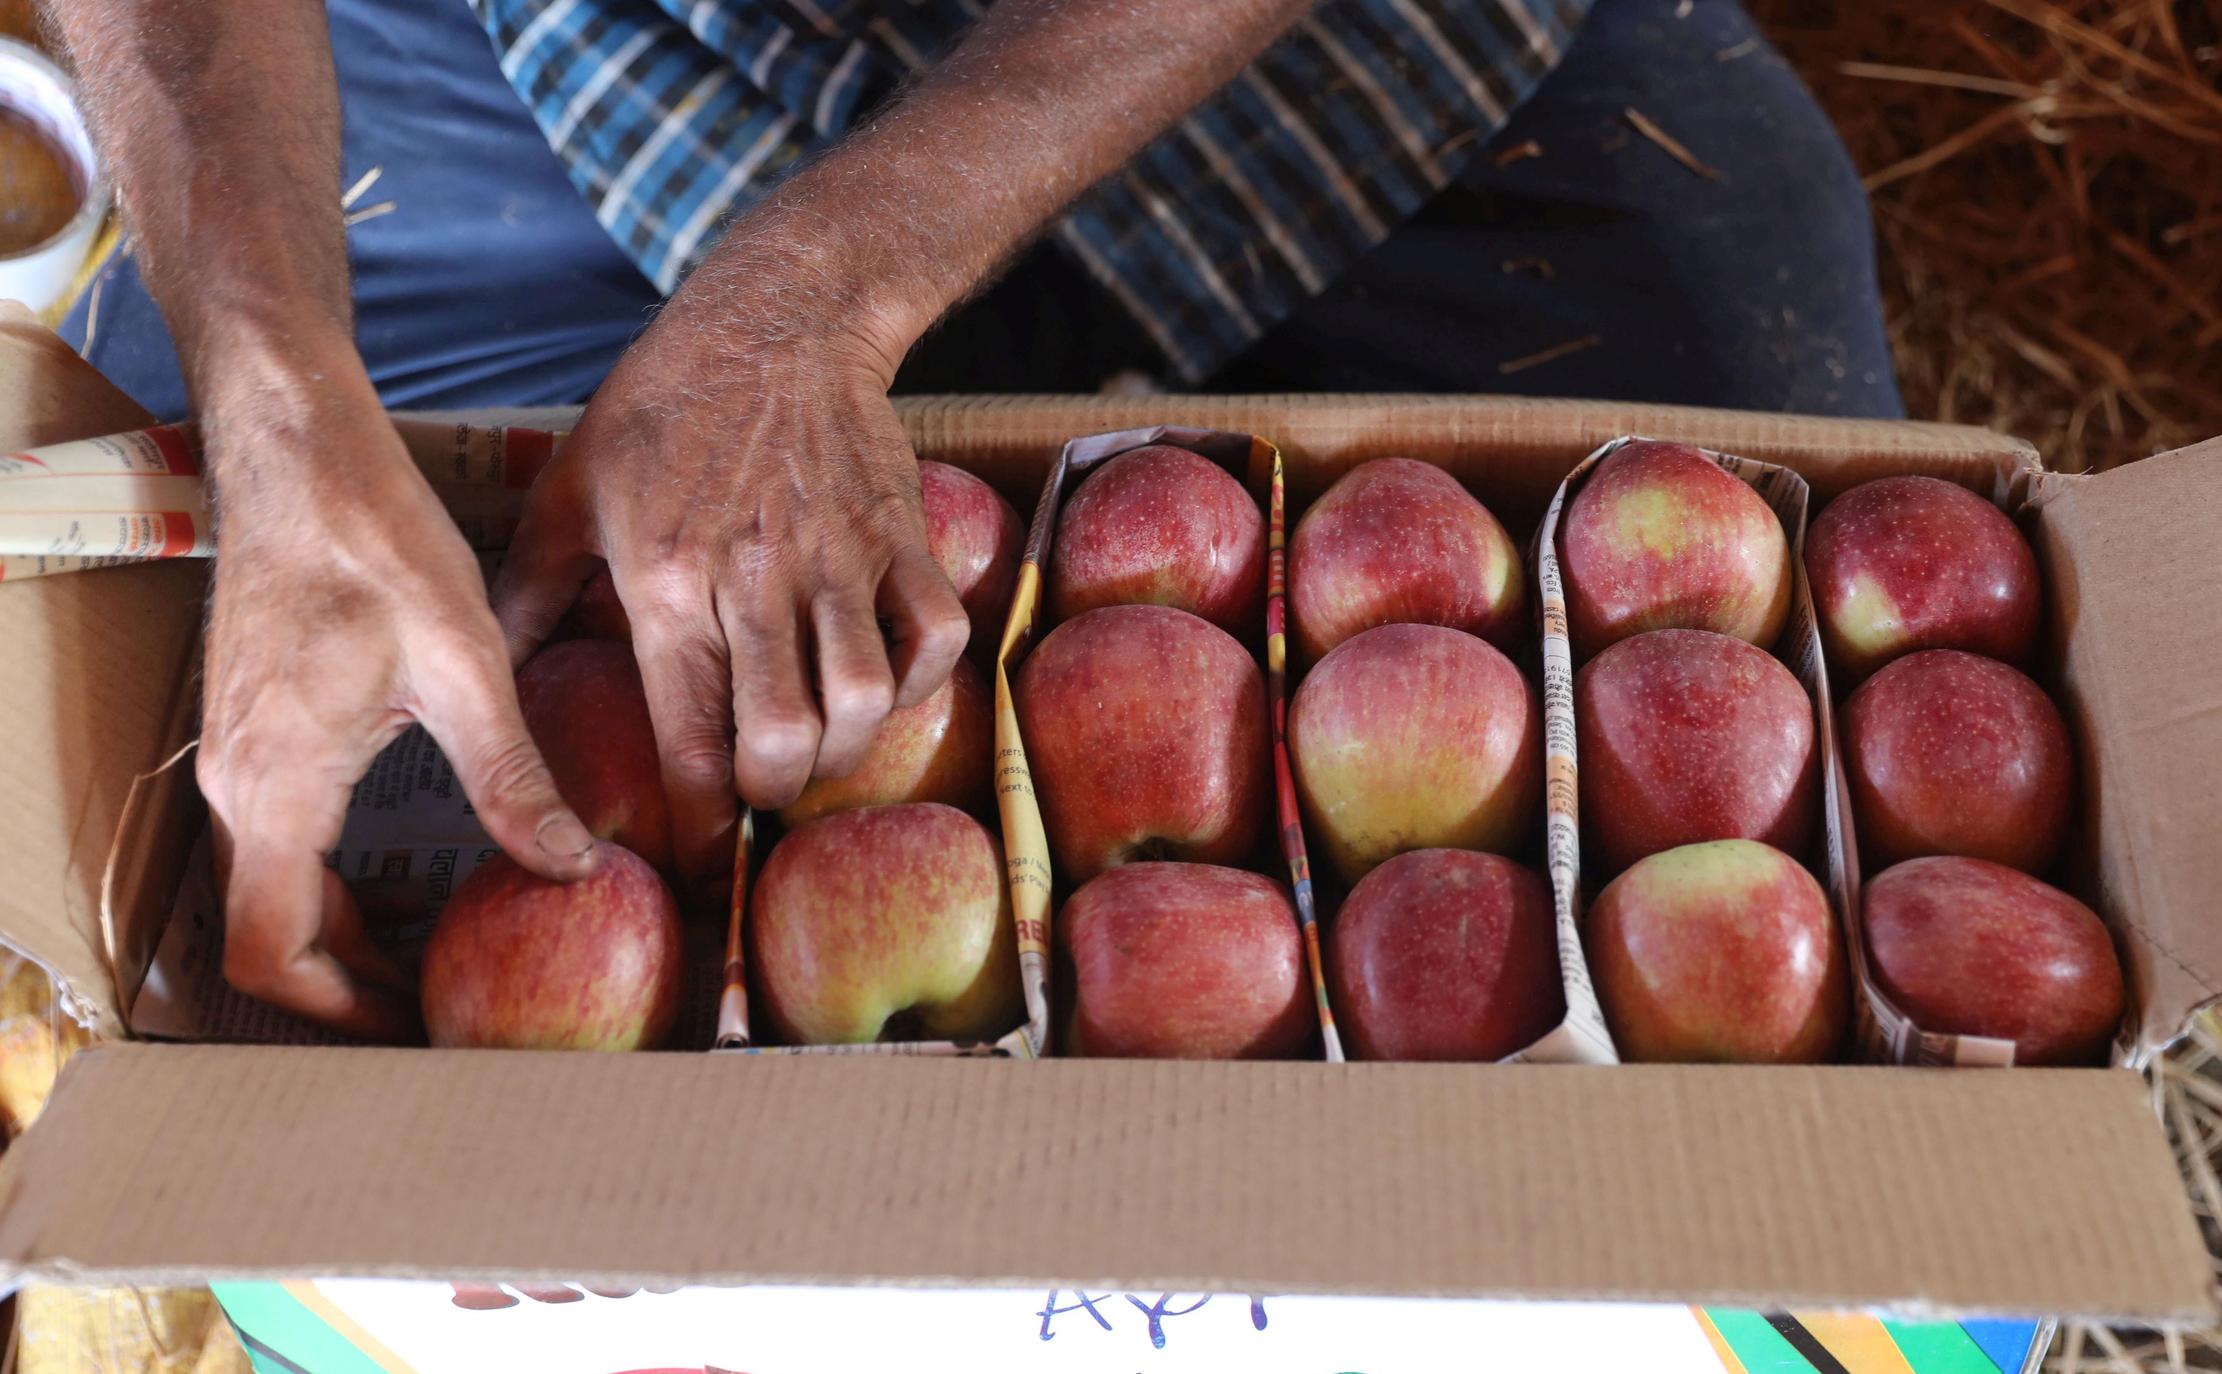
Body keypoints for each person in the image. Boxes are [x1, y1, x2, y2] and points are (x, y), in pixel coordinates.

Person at [51, 0, 1898, 1039]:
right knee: (176, 475)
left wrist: (822, 283)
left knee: (1762, 411)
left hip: (1296, 45)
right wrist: (281, 390)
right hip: (580, 44)